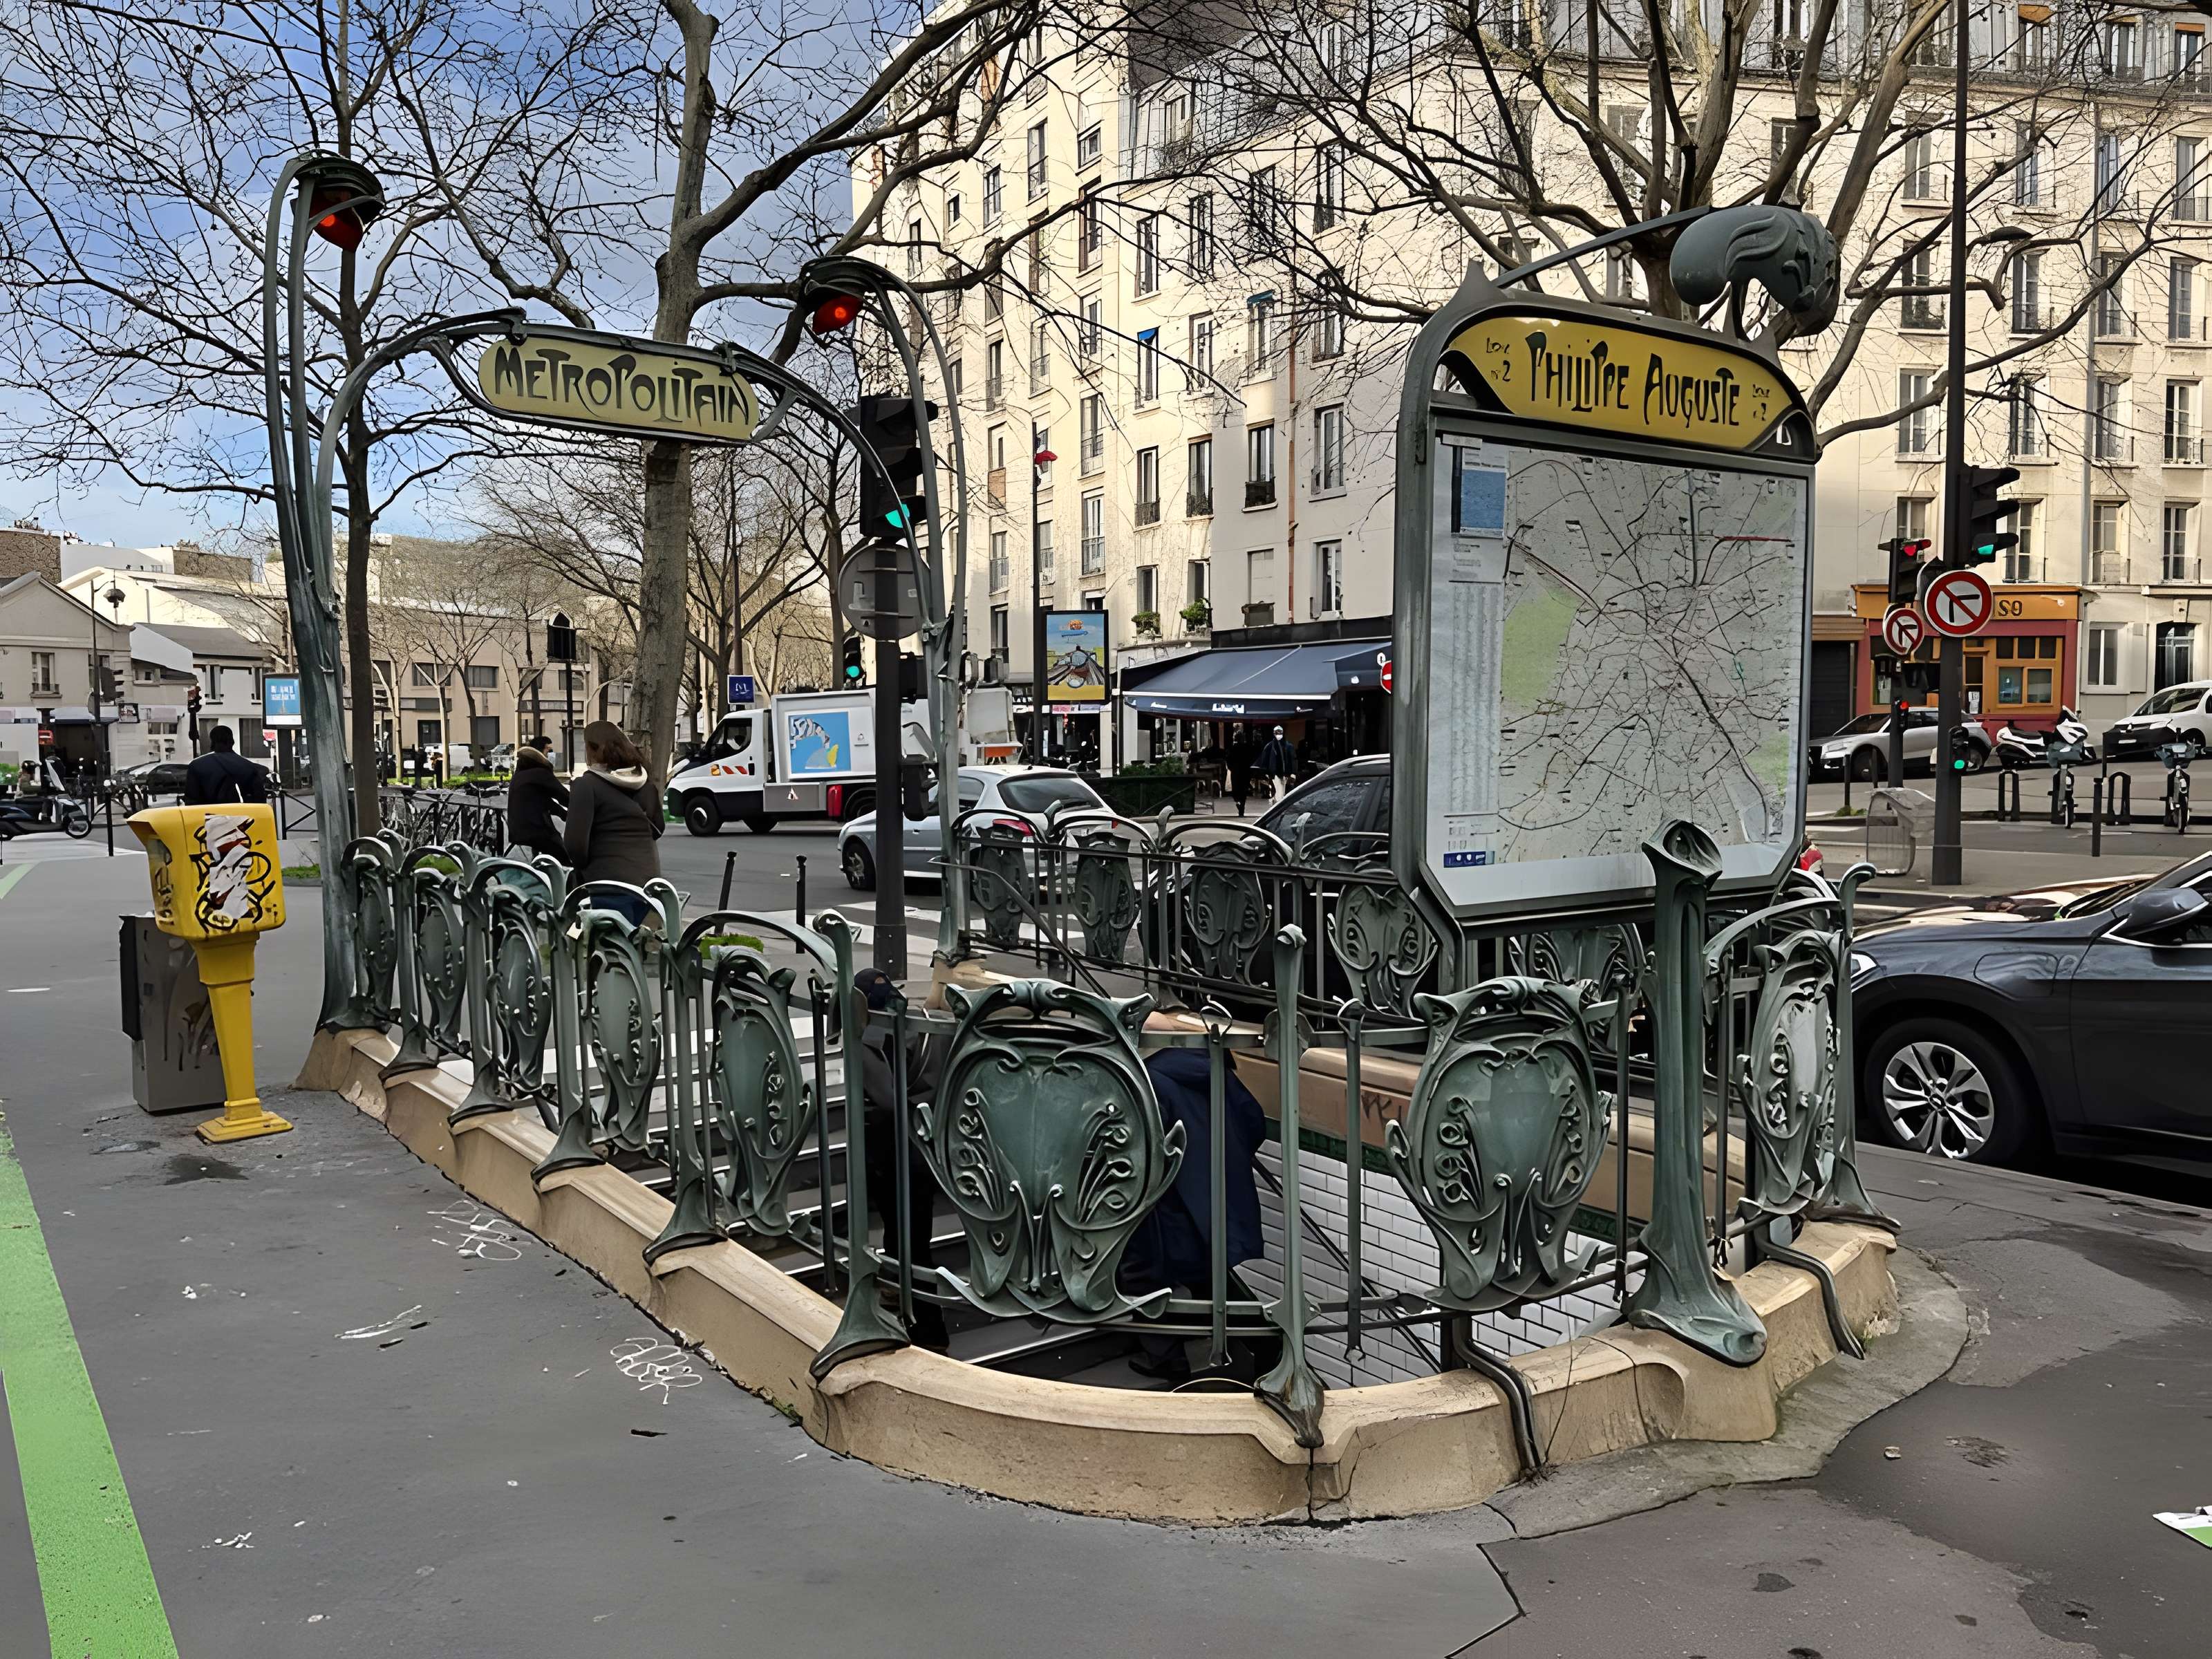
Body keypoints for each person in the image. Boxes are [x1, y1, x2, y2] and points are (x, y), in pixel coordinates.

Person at [851, 967, 951, 1350]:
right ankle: (900, 1292)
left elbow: (890, 1096)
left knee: (911, 1237)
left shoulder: (882, 1036)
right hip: (911, 1143)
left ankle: (928, 1328)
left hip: (901, 1145)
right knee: (908, 1233)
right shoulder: (917, 1028)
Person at [563, 720, 662, 926]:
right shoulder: (646, 784)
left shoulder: (586, 785)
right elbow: (658, 828)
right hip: (649, 888)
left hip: (607, 887)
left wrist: (584, 870)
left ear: (592, 750)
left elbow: (575, 846)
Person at [506, 738, 569, 863]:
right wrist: (581, 806)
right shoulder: (540, 773)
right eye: (549, 750)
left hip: (518, 829)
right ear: (540, 752)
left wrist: (563, 814)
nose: (551, 754)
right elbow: (564, 796)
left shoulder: (521, 773)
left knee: (548, 856)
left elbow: (542, 800)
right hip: (537, 829)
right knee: (562, 860)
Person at [182, 725, 268, 806]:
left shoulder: (196, 765)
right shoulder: (249, 767)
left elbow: (191, 801)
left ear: (212, 742)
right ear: (232, 742)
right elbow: (259, 800)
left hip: (208, 818)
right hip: (242, 818)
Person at [1255, 724, 1299, 794]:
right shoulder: (1269, 746)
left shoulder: (1289, 746)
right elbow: (1264, 761)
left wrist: (1293, 773)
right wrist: (1265, 774)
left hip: (1287, 774)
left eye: (1280, 733)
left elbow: (1293, 760)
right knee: (1275, 793)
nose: (1278, 735)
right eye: (1277, 733)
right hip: (1273, 775)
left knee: (1287, 793)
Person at [1226, 729, 1253, 817]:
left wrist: (1231, 768)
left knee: (1236, 789)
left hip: (1236, 772)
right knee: (1243, 791)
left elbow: (1229, 760)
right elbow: (1250, 760)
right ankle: (1242, 806)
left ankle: (1239, 803)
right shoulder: (1247, 748)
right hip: (1245, 772)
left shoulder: (1233, 748)